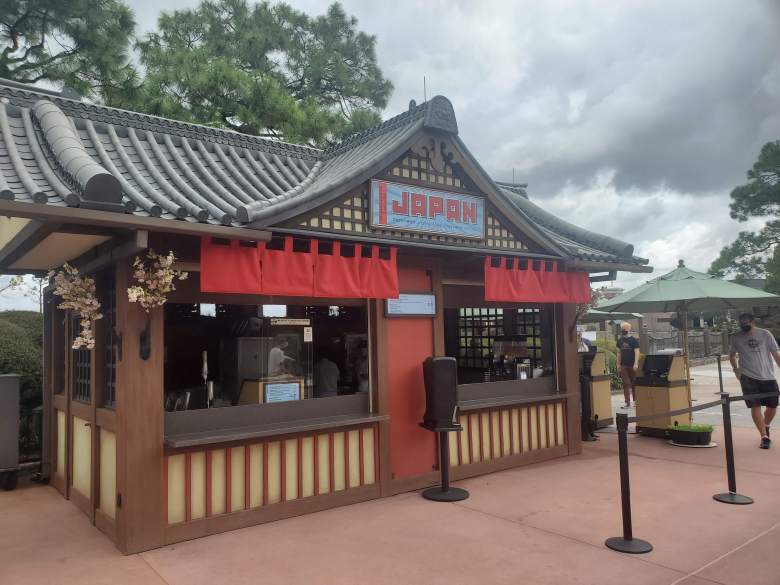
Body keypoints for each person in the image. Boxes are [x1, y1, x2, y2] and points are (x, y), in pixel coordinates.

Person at [729, 312, 780, 449]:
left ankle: (766, 424)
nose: (743, 325)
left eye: (746, 322)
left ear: (752, 321)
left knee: (772, 406)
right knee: (755, 405)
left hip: (767, 375)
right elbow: (732, 355)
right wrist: (736, 369)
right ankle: (764, 436)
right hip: (748, 376)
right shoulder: (736, 337)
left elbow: (775, 354)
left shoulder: (765, 334)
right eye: (741, 323)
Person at [616, 322, 640, 408]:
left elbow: (637, 352)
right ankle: (627, 402)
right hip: (623, 365)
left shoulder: (634, 340)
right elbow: (618, 353)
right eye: (622, 329)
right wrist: (618, 364)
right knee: (626, 383)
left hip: (632, 364)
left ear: (629, 329)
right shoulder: (620, 341)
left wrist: (636, 363)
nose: (624, 331)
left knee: (634, 382)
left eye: (625, 329)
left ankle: (635, 401)